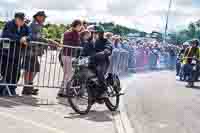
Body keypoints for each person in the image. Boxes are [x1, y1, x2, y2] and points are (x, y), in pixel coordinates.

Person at [0, 12, 31, 95]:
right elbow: (6, 34)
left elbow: (30, 35)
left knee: (16, 73)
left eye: (23, 20)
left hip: (17, 54)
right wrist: (20, 39)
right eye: (21, 19)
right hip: (6, 53)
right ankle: (3, 90)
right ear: (16, 19)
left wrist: (26, 37)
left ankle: (12, 89)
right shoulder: (9, 24)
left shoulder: (25, 26)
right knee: (6, 72)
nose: (22, 21)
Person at [82, 25, 113, 98]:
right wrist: (79, 57)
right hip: (92, 63)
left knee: (99, 71)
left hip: (102, 62)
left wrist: (105, 52)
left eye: (96, 33)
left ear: (101, 33)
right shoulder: (89, 43)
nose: (94, 35)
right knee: (84, 71)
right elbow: (84, 52)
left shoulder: (105, 41)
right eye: (93, 33)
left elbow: (108, 48)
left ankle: (104, 91)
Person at [22, 11, 47, 95]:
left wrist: (43, 39)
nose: (44, 19)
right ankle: (27, 86)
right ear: (38, 17)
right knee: (28, 69)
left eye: (44, 17)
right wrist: (42, 39)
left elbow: (39, 36)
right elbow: (31, 36)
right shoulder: (33, 24)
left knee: (34, 68)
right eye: (42, 17)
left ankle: (28, 85)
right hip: (29, 50)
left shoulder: (39, 25)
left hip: (34, 50)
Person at [58, 20, 82, 97]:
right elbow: (78, 44)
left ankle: (61, 90)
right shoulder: (75, 33)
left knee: (66, 74)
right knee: (70, 74)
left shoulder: (67, 32)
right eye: (80, 26)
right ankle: (66, 91)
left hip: (64, 54)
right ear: (77, 25)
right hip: (70, 55)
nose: (81, 27)